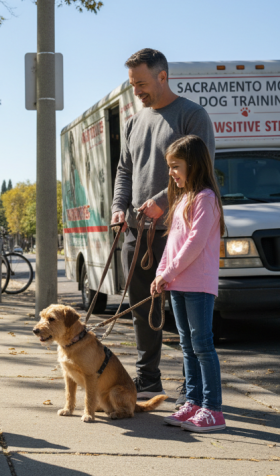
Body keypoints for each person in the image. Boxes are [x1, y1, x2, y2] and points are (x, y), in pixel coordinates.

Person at [110, 49, 215, 407]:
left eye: (141, 83)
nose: (136, 90)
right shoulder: (133, 122)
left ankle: (193, 391)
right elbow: (124, 171)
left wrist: (161, 202)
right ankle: (149, 380)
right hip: (137, 234)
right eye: (132, 84)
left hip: (176, 231)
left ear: (163, 76)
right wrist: (119, 208)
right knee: (142, 309)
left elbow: (200, 171)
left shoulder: (192, 115)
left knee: (185, 318)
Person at [151, 135, 226, 432]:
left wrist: (168, 274)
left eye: (175, 166)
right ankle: (193, 402)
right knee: (186, 345)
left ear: (193, 165)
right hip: (178, 284)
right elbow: (173, 244)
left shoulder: (205, 198)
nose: (171, 172)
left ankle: (213, 409)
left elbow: (194, 244)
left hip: (198, 284)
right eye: (170, 166)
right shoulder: (182, 198)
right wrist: (161, 273)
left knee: (202, 345)